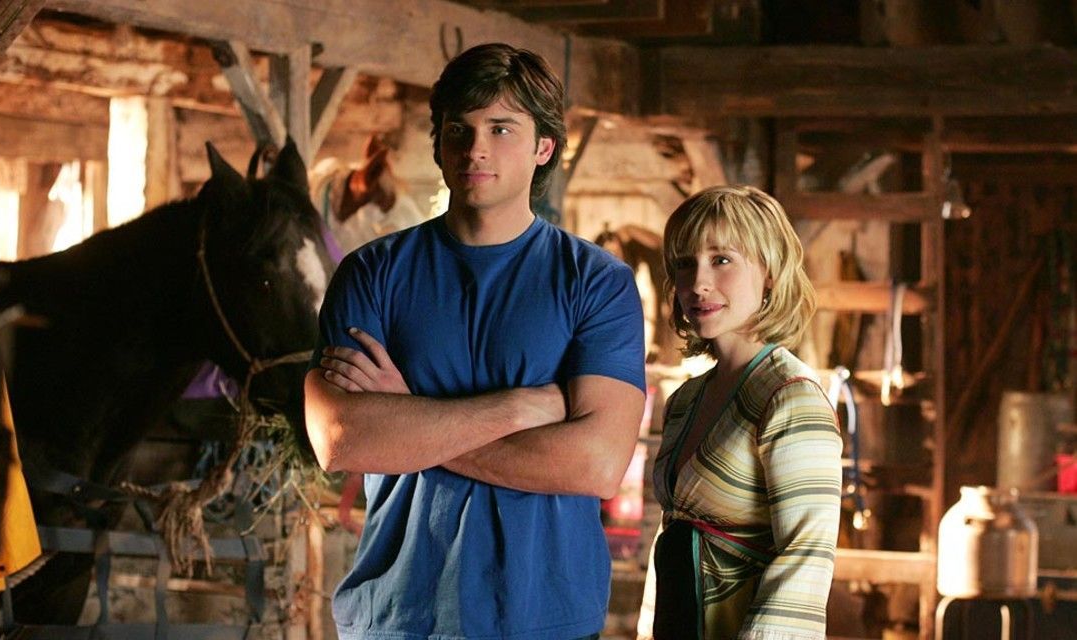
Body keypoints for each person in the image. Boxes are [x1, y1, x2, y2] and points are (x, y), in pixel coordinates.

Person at [303, 42, 647, 640]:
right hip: (398, 614)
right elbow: (339, 439)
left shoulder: (596, 282)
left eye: (501, 128)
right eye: (458, 128)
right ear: (438, 142)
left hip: (545, 618)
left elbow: (597, 464)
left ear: (544, 147)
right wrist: (517, 408)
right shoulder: (372, 273)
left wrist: (409, 420)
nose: (475, 148)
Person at [638, 185, 842, 640]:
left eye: (721, 260)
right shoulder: (685, 401)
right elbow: (672, 539)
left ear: (769, 272)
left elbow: (804, 558)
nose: (698, 283)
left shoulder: (790, 396)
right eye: (685, 263)